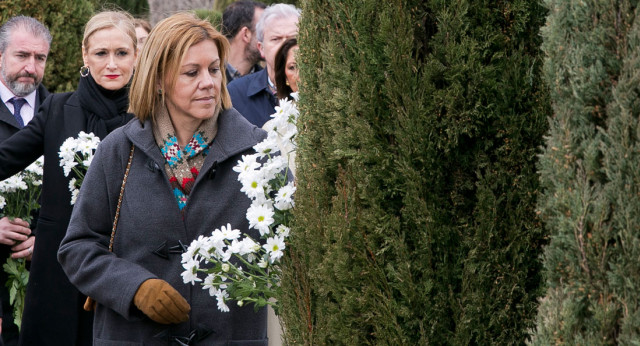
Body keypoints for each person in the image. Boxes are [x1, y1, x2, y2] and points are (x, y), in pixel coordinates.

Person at [58, 12, 268, 344]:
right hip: (135, 335)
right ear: (158, 79)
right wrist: (135, 288)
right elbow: (77, 247)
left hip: (230, 336)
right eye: (191, 72)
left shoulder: (257, 151)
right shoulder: (119, 150)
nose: (208, 82)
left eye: (214, 69)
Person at [0, 10, 137, 345]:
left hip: (126, 266)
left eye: (122, 53)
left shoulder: (148, 115)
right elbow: (4, 159)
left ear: (136, 55)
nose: (111, 64)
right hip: (57, 272)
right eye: (101, 53)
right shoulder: (58, 109)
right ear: (85, 56)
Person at [0, 16, 51, 346]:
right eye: (22, 55)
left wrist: (49, 240)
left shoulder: (63, 114)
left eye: (40, 58)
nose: (31, 67)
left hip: (46, 282)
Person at [227, 3, 300, 127]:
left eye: (293, 39)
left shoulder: (318, 90)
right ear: (261, 48)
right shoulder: (235, 94)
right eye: (276, 39)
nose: (285, 46)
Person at [221, 0, 266, 84]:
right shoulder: (210, 78)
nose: (271, 36)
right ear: (245, 34)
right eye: (264, 30)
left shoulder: (267, 82)